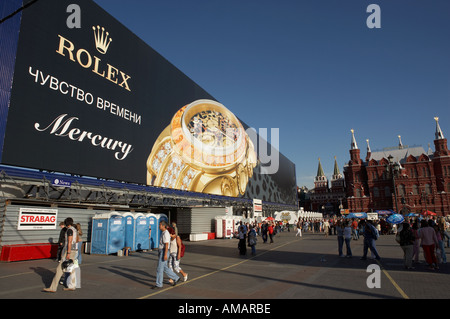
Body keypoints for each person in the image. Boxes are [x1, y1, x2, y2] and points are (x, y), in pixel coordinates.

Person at [42, 217, 79, 292]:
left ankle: (53, 288)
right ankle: (72, 285)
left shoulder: (69, 230)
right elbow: (77, 240)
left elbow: (69, 241)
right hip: (74, 250)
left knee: (59, 269)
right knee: (71, 269)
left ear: (66, 223)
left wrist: (68, 253)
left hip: (69, 251)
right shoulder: (74, 229)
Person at [152, 220, 180, 289]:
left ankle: (159, 284)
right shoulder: (163, 233)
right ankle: (176, 277)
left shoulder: (166, 233)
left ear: (163, 226)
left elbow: (167, 244)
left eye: (160, 225)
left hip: (164, 251)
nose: (159, 226)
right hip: (162, 251)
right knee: (164, 267)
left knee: (159, 269)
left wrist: (164, 254)